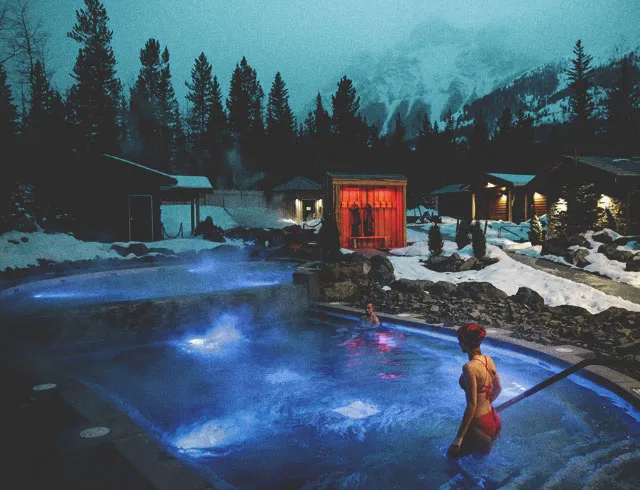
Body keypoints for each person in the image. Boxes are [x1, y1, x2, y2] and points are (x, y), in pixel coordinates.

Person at [447, 323, 502, 459]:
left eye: (460, 340)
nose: (459, 344)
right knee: (479, 464)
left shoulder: (469, 367)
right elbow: (499, 388)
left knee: (451, 458)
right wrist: (486, 406)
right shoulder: (488, 359)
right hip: (493, 419)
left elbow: (472, 405)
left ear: (465, 342)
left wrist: (458, 438)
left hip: (479, 424)